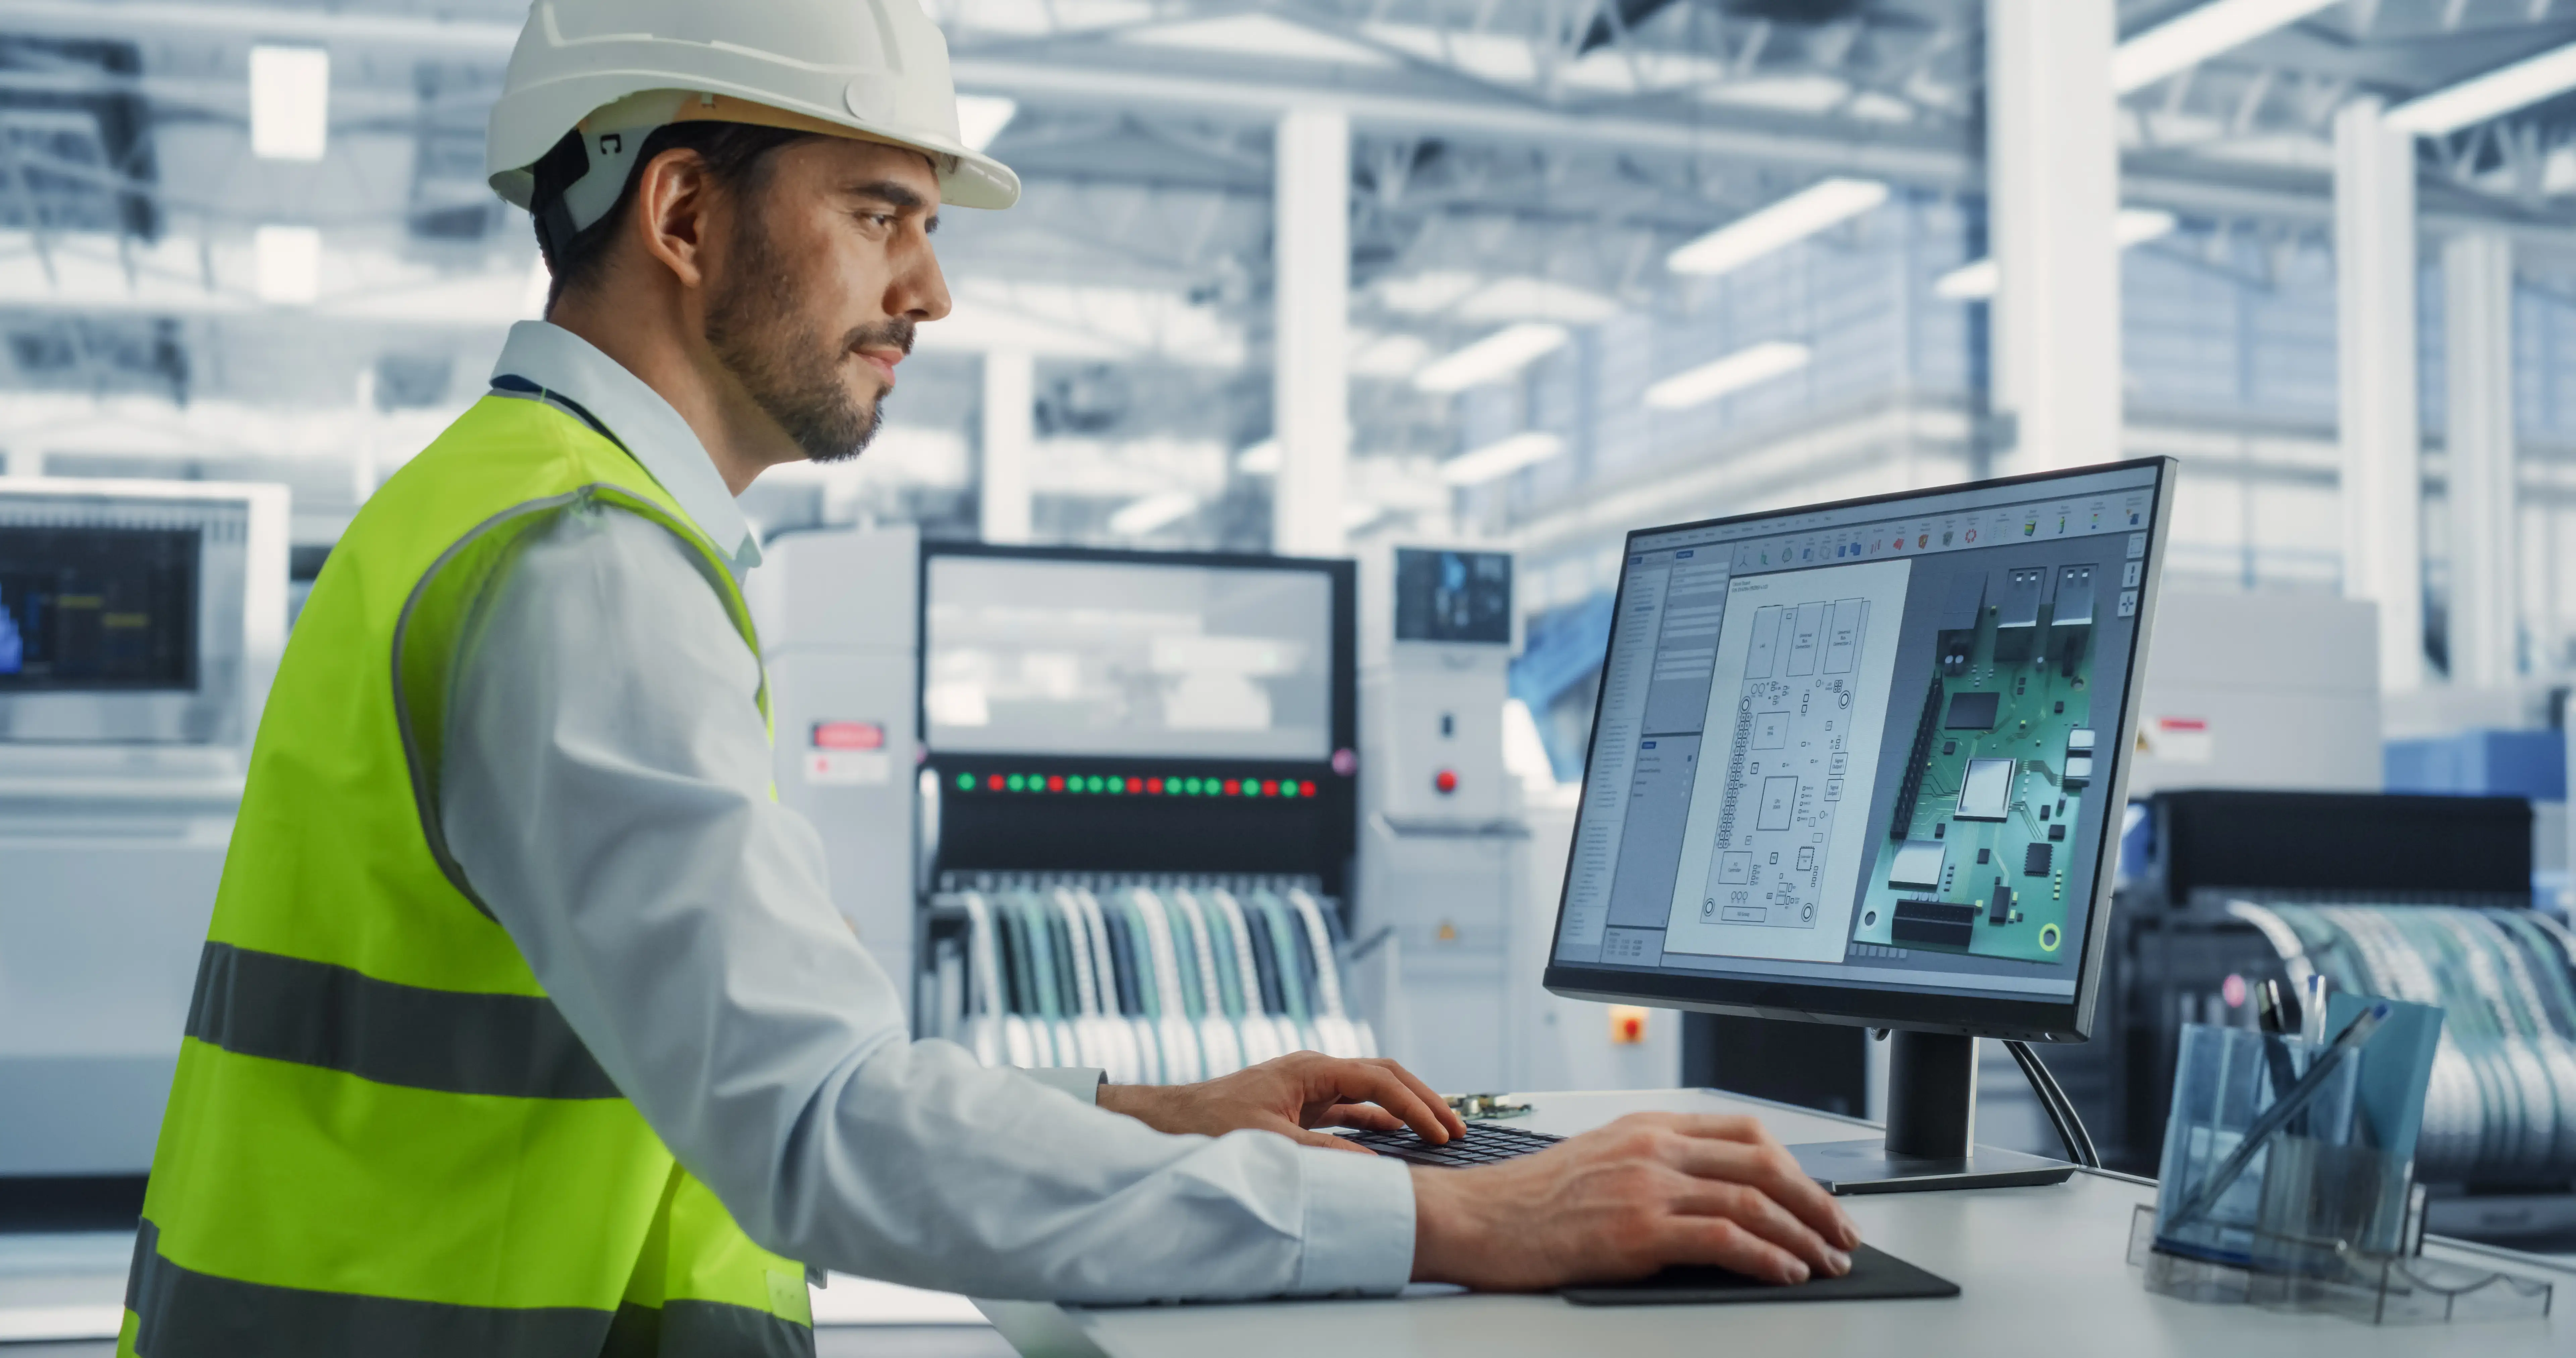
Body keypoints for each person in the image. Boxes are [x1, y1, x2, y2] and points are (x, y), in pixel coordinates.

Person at [118, 2, 1858, 1353]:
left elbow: (744, 1062)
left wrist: (1143, 1113)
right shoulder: (582, 577)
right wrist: (1462, 1224)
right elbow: (822, 1124)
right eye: (882, 214)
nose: (930, 292)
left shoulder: (503, 516)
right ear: (679, 213)